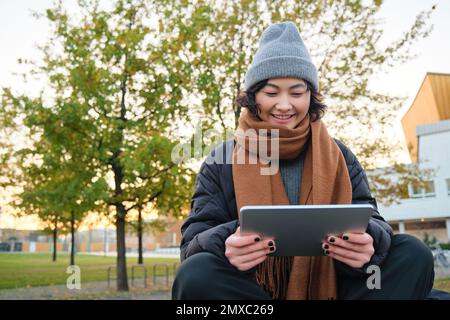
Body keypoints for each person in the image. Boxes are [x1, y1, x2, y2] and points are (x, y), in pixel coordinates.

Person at [172, 21, 434, 300]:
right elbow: (192, 243)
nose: (284, 105)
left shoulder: (340, 155)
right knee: (196, 273)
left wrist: (368, 241)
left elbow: (372, 218)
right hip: (251, 290)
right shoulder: (221, 160)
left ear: (311, 96)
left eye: (297, 92)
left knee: (412, 253)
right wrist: (229, 241)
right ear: (253, 97)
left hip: (338, 285)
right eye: (271, 93)